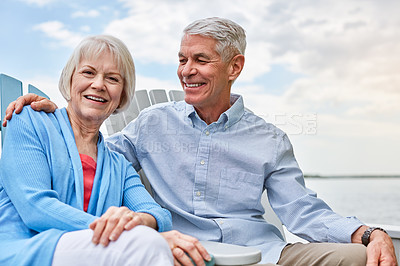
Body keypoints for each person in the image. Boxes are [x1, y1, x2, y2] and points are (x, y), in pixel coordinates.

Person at [4, 18, 397, 265]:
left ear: (235, 67)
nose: (186, 71)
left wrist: (367, 233)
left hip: (263, 254)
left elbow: (303, 213)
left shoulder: (269, 139)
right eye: (181, 59)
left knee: (365, 258)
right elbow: (85, 146)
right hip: (182, 252)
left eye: (200, 60)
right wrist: (55, 110)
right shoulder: (150, 125)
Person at [0, 35, 177, 266]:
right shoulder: (29, 121)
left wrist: (141, 220)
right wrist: (121, 231)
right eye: (88, 73)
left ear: (122, 94)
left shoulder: (118, 165)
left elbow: (158, 215)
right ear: (70, 79)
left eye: (112, 78)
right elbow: (35, 207)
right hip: (28, 249)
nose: (99, 84)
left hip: (97, 251)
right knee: (147, 245)